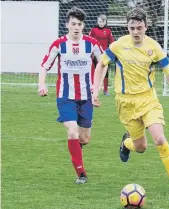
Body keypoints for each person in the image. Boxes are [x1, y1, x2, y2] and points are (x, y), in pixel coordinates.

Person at [92, 8, 169, 195]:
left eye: (139, 27)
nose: (135, 32)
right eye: (132, 27)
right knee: (140, 147)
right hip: (125, 102)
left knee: (159, 138)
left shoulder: (154, 47)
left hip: (149, 100)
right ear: (127, 27)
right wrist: (95, 90)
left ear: (146, 27)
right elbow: (101, 64)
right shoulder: (117, 46)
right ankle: (126, 143)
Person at [38, 7, 104, 184]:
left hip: (86, 97)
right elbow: (45, 66)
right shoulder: (59, 44)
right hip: (65, 97)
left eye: (80, 24)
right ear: (67, 24)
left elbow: (103, 64)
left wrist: (96, 89)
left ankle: (77, 149)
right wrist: (41, 85)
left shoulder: (92, 44)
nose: (76, 27)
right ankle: (81, 173)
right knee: (72, 131)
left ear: (83, 26)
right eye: (73, 24)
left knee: (84, 138)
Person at [89, 14, 114, 96]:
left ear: (105, 22)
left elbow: (112, 42)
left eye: (103, 22)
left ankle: (105, 90)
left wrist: (111, 51)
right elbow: (89, 41)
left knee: (105, 72)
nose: (101, 23)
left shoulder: (108, 31)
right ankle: (93, 88)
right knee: (95, 71)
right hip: (95, 54)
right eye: (100, 21)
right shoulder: (93, 30)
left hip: (105, 54)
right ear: (97, 21)